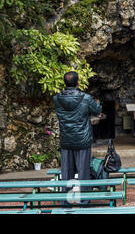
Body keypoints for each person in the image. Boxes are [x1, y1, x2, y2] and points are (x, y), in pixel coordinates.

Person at [53, 71, 102, 205]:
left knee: (66, 171)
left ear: (65, 83)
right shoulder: (86, 98)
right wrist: (97, 103)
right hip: (83, 140)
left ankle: (66, 201)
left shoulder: (57, 99)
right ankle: (84, 201)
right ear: (78, 82)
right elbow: (97, 111)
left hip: (66, 139)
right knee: (83, 171)